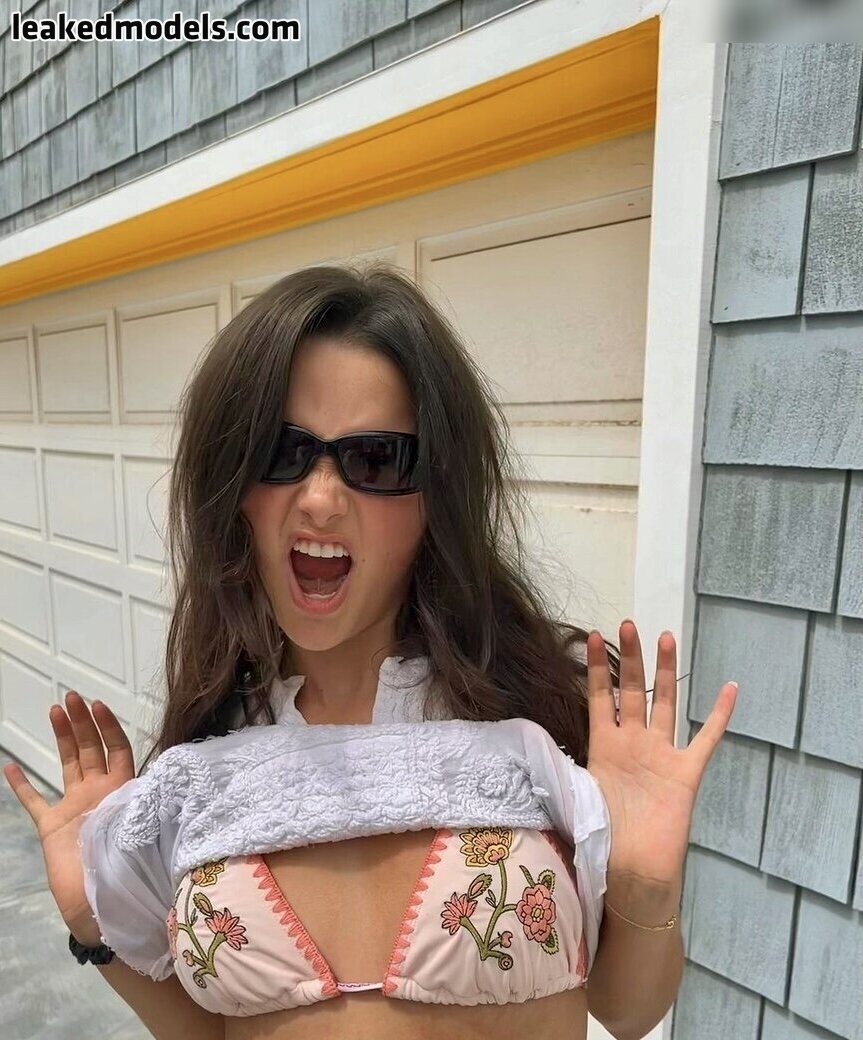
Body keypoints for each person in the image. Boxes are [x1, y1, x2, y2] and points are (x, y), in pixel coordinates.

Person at [3, 262, 737, 1040]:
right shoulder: (209, 757)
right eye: (279, 451)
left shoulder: (545, 720)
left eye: (376, 459)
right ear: (232, 489)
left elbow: (627, 1012)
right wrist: (93, 921)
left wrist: (644, 884)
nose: (320, 498)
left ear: (435, 495)